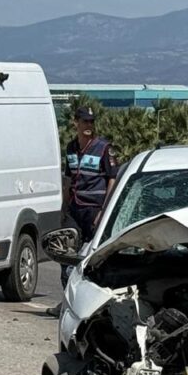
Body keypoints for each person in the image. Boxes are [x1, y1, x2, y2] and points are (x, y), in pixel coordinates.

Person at [61, 106, 117, 278]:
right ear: (75, 122)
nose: (88, 125)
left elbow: (112, 179)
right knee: (67, 252)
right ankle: (67, 290)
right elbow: (68, 179)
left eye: (91, 122)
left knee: (93, 253)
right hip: (74, 208)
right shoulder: (71, 148)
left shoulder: (104, 148)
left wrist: (104, 211)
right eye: (85, 121)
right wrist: (64, 207)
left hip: (94, 209)